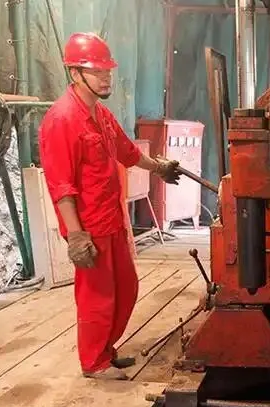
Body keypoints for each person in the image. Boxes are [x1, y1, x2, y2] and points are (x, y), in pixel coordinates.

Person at [38, 32, 181, 380]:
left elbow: (127, 152)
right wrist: (76, 236)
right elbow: (61, 186)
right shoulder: (61, 120)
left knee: (126, 289)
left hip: (112, 219)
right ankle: (94, 363)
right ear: (75, 73)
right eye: (97, 71)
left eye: (107, 71)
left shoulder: (100, 114)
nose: (106, 78)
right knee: (97, 298)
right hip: (89, 227)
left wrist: (159, 167)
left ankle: (105, 350)